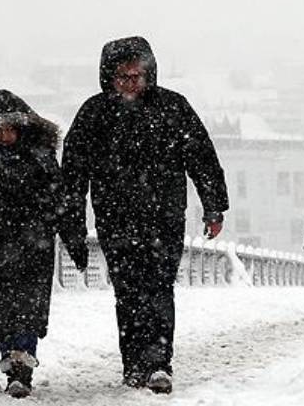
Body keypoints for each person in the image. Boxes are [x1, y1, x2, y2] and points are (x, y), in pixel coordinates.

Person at [60, 36, 228, 395]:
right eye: (123, 76)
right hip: (115, 219)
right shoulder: (94, 114)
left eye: (137, 75)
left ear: (149, 74)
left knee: (158, 287)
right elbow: (72, 174)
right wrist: (72, 223)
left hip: (163, 218)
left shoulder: (172, 108)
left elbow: (201, 157)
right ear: (110, 77)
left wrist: (214, 206)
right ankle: (134, 363)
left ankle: (158, 362)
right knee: (128, 291)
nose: (131, 83)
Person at [0, 89, 89, 399]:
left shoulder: (41, 158)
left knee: (28, 308)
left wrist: (75, 242)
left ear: (24, 126)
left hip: (33, 249)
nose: (5, 134)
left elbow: (62, 203)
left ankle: (21, 367)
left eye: (10, 127)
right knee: (0, 311)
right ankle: (11, 362)